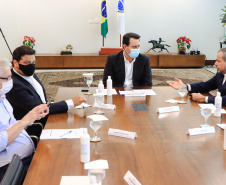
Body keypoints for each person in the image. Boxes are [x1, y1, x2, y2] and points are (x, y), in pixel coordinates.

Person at [6, 46, 86, 129]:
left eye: (33, 62)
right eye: (27, 63)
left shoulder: (28, 73)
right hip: (32, 126)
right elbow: (39, 109)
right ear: (15, 63)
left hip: (45, 116)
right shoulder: (14, 85)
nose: (31, 66)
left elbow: (43, 102)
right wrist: (72, 102)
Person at [0, 58, 49, 181]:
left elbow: (10, 125)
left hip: (25, 159)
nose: (11, 81)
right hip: (9, 169)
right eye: (7, 78)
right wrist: (25, 120)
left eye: (11, 77)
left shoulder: (3, 98)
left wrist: (33, 118)